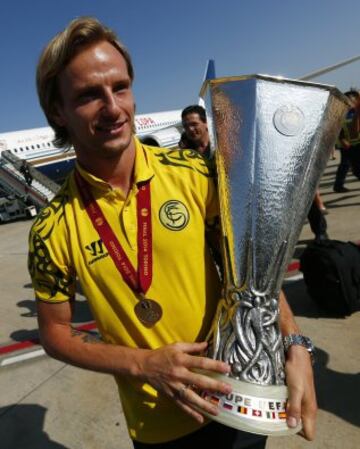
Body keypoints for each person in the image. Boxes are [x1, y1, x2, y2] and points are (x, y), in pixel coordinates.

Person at [28, 17, 317, 448]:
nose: (113, 107)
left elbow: (255, 269)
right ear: (57, 110)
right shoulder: (51, 230)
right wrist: (143, 365)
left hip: (244, 394)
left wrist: (293, 343)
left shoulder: (194, 171)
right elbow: (55, 334)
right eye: (90, 95)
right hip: (160, 423)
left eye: (120, 87)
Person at [333, 90, 360, 193]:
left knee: (353, 167)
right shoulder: (341, 113)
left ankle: (338, 185)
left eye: (351, 99)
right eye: (346, 100)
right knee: (347, 165)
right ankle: (338, 185)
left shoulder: (356, 112)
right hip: (347, 146)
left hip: (356, 144)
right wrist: (342, 139)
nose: (349, 102)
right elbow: (337, 128)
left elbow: (355, 129)